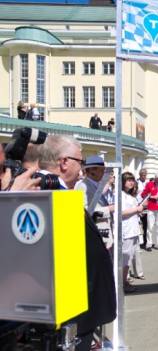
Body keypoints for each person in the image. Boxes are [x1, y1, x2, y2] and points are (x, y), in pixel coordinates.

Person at [35, 135, 115, 351]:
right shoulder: (53, 194)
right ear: (63, 162)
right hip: (74, 312)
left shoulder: (52, 190)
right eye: (80, 161)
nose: (82, 168)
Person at [75, 156, 114, 251]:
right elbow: (84, 212)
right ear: (92, 171)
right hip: (95, 234)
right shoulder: (83, 186)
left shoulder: (95, 184)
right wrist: (109, 209)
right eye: (102, 170)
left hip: (102, 233)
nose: (104, 173)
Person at [121, 172, 146, 293]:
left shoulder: (130, 195)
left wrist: (139, 210)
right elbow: (121, 212)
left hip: (133, 229)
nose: (131, 182)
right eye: (128, 180)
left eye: (132, 180)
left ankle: (125, 280)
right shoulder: (120, 195)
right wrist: (137, 209)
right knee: (125, 258)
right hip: (126, 230)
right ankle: (123, 283)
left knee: (129, 258)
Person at [141, 171, 158, 251]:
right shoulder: (149, 184)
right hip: (151, 208)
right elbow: (143, 194)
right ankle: (148, 244)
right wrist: (151, 196)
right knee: (150, 227)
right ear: (155, 178)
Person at [136, 168, 148, 248]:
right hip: (138, 205)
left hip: (146, 206)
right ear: (140, 175)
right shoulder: (136, 183)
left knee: (146, 225)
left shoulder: (148, 183)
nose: (144, 176)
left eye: (145, 175)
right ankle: (138, 242)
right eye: (142, 175)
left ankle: (145, 241)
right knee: (138, 225)